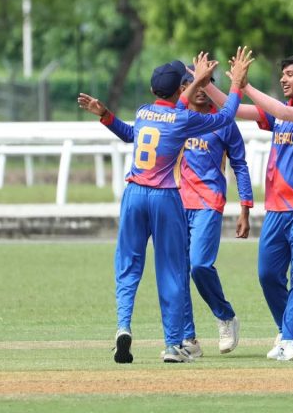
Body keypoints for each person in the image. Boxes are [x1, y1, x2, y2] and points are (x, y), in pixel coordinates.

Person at [77, 48, 252, 364]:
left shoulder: (144, 111)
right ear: (180, 88)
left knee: (128, 266)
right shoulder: (184, 118)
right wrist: (236, 84)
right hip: (166, 197)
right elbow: (225, 116)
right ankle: (174, 344)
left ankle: (123, 326)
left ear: (152, 89)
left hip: (134, 194)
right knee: (172, 271)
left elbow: (131, 134)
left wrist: (106, 115)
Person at [203, 51, 293, 361]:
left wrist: (244, 85)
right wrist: (205, 83)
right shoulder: (279, 115)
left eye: (290, 74)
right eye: (282, 74)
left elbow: (284, 112)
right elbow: (235, 109)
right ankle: (290, 331)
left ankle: (289, 339)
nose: (283, 79)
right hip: (276, 209)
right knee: (267, 274)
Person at [175, 69, 254, 357]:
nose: (199, 89)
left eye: (205, 83)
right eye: (191, 83)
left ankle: (225, 316)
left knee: (199, 266)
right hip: (175, 204)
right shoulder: (177, 118)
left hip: (209, 202)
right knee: (178, 271)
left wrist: (245, 209)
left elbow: (240, 165)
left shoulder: (222, 122)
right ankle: (188, 339)